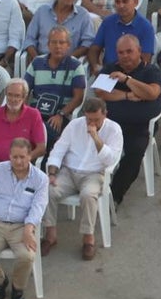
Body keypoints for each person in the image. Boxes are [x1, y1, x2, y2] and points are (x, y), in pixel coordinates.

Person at [41, 97, 122, 261]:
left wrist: (96, 137)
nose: (91, 123)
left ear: (105, 114)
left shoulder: (114, 130)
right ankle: (50, 235)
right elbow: (58, 150)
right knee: (47, 190)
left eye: (96, 119)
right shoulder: (74, 125)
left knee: (88, 195)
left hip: (94, 173)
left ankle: (88, 238)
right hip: (69, 171)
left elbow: (111, 160)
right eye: (88, 119)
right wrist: (51, 173)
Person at [0, 139, 47, 299]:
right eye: (15, 157)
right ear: (9, 156)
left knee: (27, 256)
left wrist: (29, 229)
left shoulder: (40, 179)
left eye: (22, 157)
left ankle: (17, 286)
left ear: (30, 156)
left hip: (22, 226)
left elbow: (38, 207)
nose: (19, 161)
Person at [93, 34, 161, 204]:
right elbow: (100, 93)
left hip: (139, 126)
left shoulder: (150, 71)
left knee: (134, 154)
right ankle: (90, 187)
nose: (124, 56)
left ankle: (113, 197)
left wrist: (127, 80)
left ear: (139, 51)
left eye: (129, 51)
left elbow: (152, 93)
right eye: (120, 52)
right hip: (110, 124)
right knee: (90, 146)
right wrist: (127, 95)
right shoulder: (111, 68)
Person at [90, 0, 155, 69]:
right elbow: (94, 48)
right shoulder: (108, 22)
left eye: (125, 1)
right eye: (117, 2)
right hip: (108, 73)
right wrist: (95, 66)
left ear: (135, 2)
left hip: (133, 76)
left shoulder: (146, 27)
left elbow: (146, 59)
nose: (121, 5)